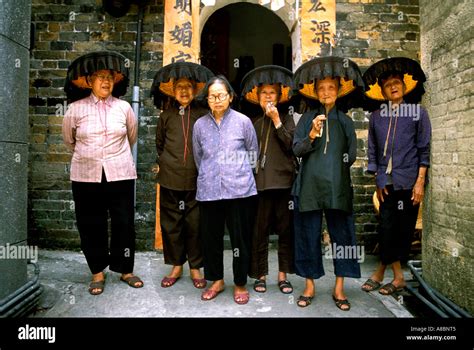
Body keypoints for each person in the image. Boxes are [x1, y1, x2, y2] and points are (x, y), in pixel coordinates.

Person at [62, 68, 143, 295]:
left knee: (124, 222)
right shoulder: (75, 109)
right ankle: (97, 272)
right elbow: (69, 140)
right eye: (101, 77)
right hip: (86, 174)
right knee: (90, 222)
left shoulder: (124, 107)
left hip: (120, 172)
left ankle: (125, 270)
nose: (106, 81)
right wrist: (90, 155)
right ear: (90, 81)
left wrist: (113, 156)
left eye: (110, 78)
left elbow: (131, 136)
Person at [292, 75, 361, 310]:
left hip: (337, 187)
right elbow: (297, 150)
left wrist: (332, 165)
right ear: (315, 92)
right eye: (321, 88)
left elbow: (350, 155)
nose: (326, 92)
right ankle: (309, 285)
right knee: (307, 235)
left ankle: (339, 286)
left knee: (342, 236)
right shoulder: (307, 119)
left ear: (339, 91)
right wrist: (312, 134)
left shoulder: (345, 121)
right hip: (309, 186)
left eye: (331, 88)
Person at [361, 66, 431, 295]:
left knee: (403, 230)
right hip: (386, 183)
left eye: (396, 82)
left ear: (404, 86)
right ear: (382, 91)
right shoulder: (376, 117)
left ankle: (383, 273)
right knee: (386, 227)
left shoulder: (417, 113)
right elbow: (372, 151)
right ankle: (397, 276)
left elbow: (424, 149)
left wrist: (420, 181)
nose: (393, 86)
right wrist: (377, 181)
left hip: (410, 181)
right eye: (387, 84)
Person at [192, 75, 258, 305]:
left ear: (230, 97)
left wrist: (237, 173)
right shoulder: (199, 125)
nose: (217, 99)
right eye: (212, 96)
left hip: (239, 190)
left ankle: (240, 283)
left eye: (221, 95)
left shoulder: (243, 122)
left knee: (240, 239)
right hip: (209, 190)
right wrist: (212, 174)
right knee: (211, 238)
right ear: (207, 99)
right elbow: (198, 158)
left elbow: (253, 155)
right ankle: (216, 280)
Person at [240, 65, 296, 294]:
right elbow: (247, 155)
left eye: (273, 93)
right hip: (260, 185)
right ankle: (260, 275)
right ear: (258, 98)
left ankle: (283, 276)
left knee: (285, 230)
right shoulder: (252, 123)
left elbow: (292, 145)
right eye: (264, 93)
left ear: (280, 96)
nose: (269, 97)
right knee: (259, 231)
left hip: (284, 183)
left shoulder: (288, 119)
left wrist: (277, 121)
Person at [155, 77, 208, 289]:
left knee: (195, 224)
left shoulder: (203, 115)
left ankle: (195, 266)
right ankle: (177, 264)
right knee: (171, 224)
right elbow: (160, 145)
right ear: (173, 91)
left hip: (197, 180)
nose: (184, 91)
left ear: (195, 90)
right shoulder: (166, 116)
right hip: (170, 178)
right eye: (179, 87)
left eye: (188, 87)